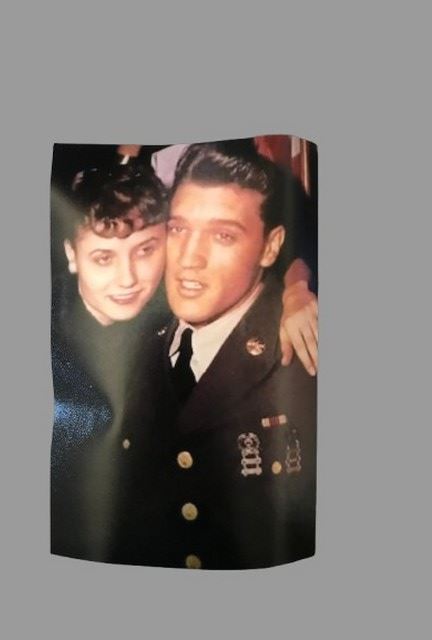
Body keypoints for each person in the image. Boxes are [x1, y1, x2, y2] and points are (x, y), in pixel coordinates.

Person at [134, 142, 316, 569]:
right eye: (178, 229)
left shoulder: (307, 352)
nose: (189, 259)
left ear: (270, 247)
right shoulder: (135, 340)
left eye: (223, 235)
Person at [50, 163, 169, 560]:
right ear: (72, 255)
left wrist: (295, 288)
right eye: (103, 258)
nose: (127, 278)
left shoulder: (174, 309)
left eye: (145, 250)